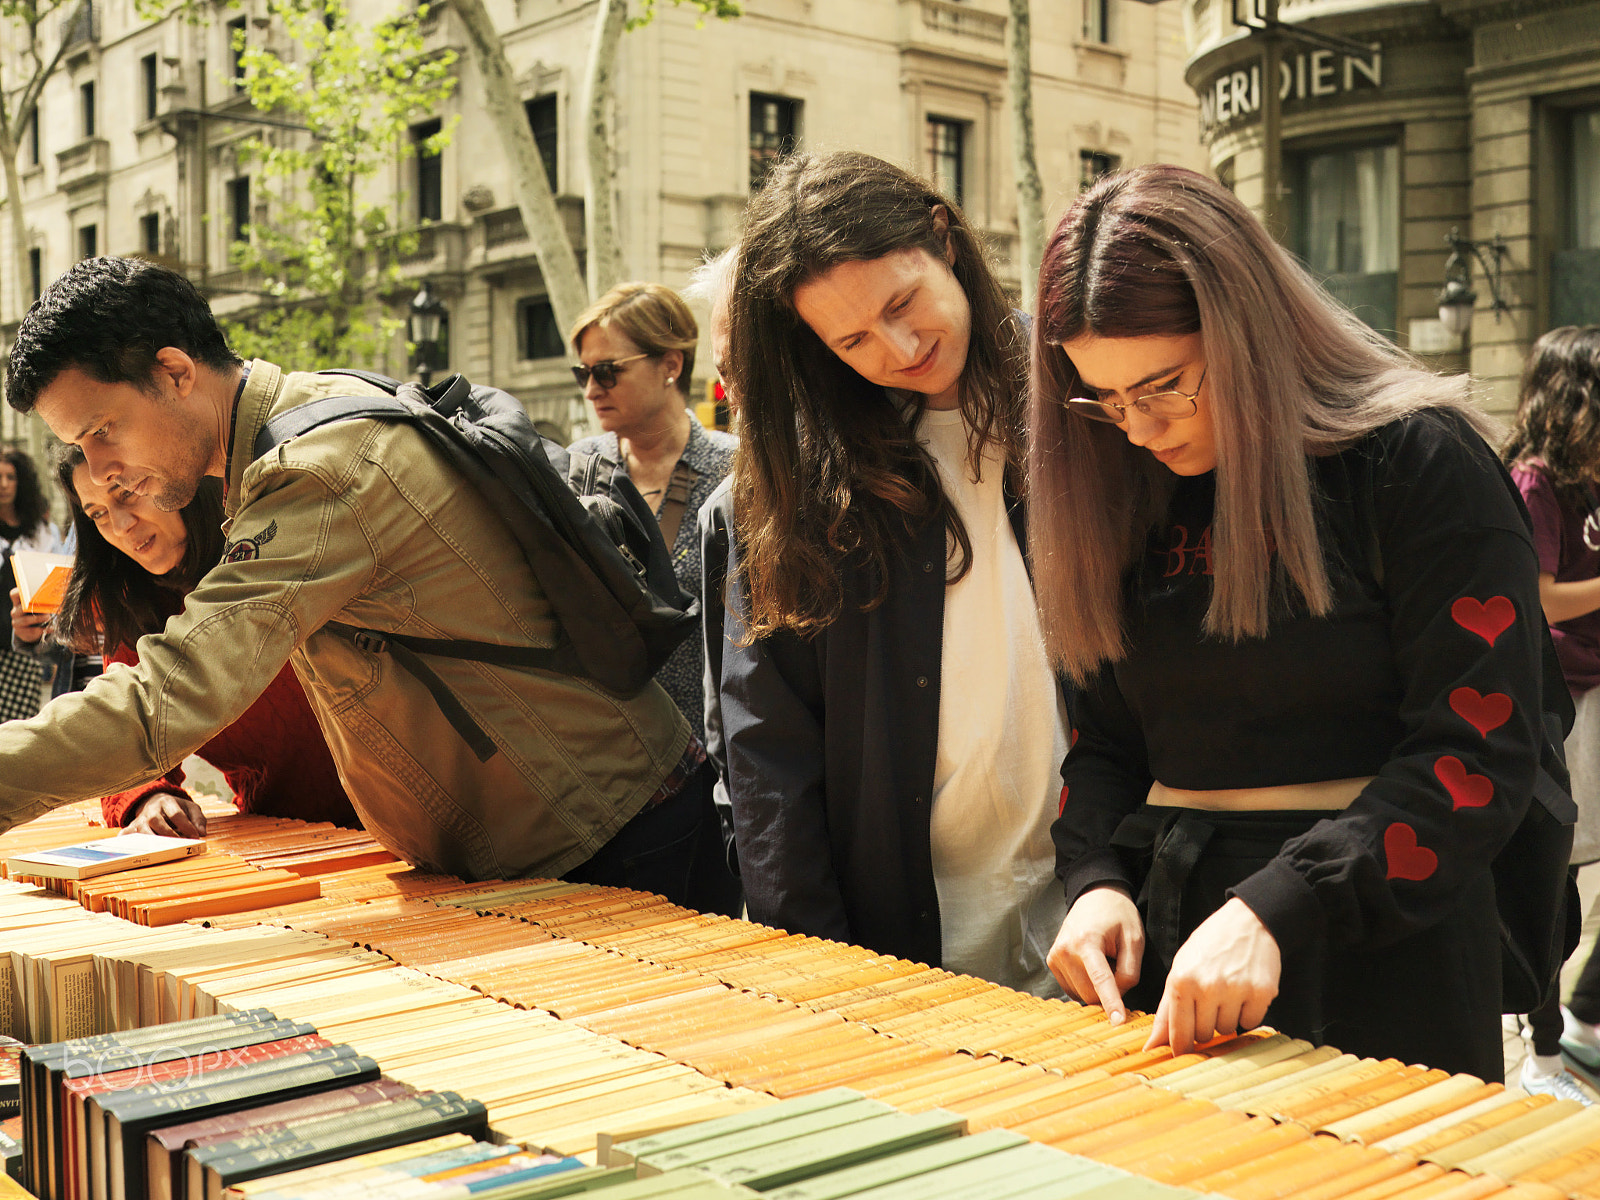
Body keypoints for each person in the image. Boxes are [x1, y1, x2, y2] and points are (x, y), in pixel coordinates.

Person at [1032, 164, 1556, 1080]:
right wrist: (1093, 883)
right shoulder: (1115, 485)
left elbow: (1477, 756)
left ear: (1249, 334)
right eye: (1104, 400)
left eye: (1163, 386)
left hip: (1387, 934)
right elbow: (1104, 743)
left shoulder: (1418, 462)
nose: (1139, 429)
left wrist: (1279, 905)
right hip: (1179, 938)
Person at [0, 256, 704, 897]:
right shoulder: (304, 417)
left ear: (177, 373)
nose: (101, 468)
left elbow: (168, 694)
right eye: (78, 449)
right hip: (548, 839)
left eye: (101, 432)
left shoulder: (317, 470)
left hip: (613, 836)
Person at [718, 150, 1071, 995]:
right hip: (897, 945)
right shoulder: (797, 487)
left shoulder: (1086, 401)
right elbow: (767, 761)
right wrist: (820, 975)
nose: (899, 347)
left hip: (1098, 911)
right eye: (851, 340)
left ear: (943, 238)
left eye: (903, 304)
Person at [10, 445, 360, 838]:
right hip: (282, 839)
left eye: (125, 493)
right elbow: (126, 734)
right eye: (98, 514)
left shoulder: (278, 545)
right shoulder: (136, 606)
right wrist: (150, 799)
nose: (120, 525)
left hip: (417, 829)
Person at [567, 281, 741, 915]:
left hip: (708, 775)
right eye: (583, 372)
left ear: (672, 364)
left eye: (608, 371)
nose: (592, 390)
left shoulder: (736, 470)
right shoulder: (575, 470)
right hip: (602, 776)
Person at [1505, 325, 1600, 1101]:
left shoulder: (1594, 480)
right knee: (1557, 875)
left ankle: (1582, 1024)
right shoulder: (1536, 483)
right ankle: (1544, 1053)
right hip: (1564, 699)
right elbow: (1541, 598)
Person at [0, 448, 68, 720]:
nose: (3, 484)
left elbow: (56, 587)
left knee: (17, 736)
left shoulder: (42, 533)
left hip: (23, 651)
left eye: (11, 477)